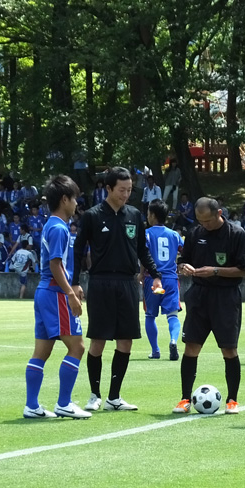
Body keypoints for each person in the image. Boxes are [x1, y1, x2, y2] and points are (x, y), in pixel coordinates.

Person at [72, 166, 162, 412]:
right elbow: (78, 249)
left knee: (126, 342)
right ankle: (94, 394)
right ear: (108, 188)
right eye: (121, 190)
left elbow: (142, 249)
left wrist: (155, 275)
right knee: (98, 340)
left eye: (129, 190)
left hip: (127, 283)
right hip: (100, 282)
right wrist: (75, 281)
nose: (125, 194)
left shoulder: (134, 215)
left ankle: (114, 396)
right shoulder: (92, 215)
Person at [23, 174, 91, 419]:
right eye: (74, 199)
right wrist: (70, 293)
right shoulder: (60, 228)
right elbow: (55, 265)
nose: (76, 205)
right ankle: (64, 403)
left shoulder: (50, 225)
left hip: (44, 292)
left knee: (41, 352)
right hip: (55, 293)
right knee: (77, 347)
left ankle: (32, 405)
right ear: (64, 199)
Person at [173, 197, 245, 415]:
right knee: (191, 346)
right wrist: (184, 266)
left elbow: (244, 270)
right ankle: (184, 398)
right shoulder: (195, 234)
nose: (203, 225)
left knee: (229, 349)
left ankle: (232, 400)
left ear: (219, 213)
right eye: (200, 221)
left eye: (207, 220)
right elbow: (183, 259)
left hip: (225, 297)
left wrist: (215, 270)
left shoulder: (236, 234)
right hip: (198, 295)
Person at [143, 199, 184, 360]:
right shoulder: (174, 235)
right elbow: (184, 251)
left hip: (153, 280)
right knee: (173, 315)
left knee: (150, 315)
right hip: (170, 279)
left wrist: (140, 273)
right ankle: (173, 340)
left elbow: (144, 255)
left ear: (152, 215)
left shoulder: (147, 234)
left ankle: (155, 350)